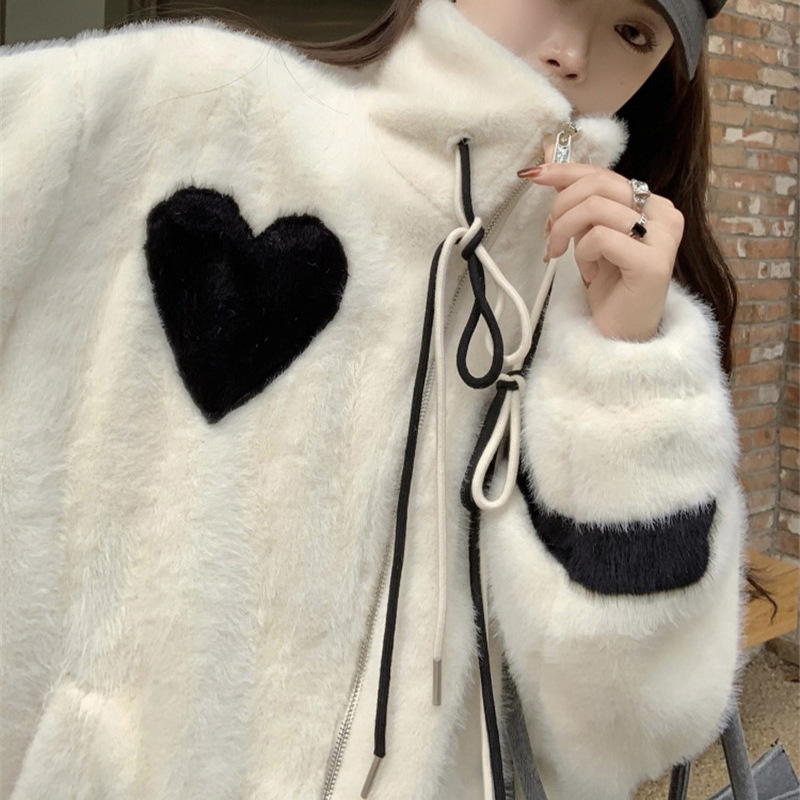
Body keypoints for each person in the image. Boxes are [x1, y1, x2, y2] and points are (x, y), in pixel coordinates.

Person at [0, 0, 745, 798]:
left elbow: (632, 725)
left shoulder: (602, 300)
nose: (572, 53)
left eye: (633, 33)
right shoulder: (179, 104)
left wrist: (625, 366)